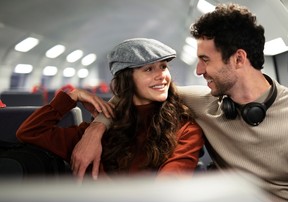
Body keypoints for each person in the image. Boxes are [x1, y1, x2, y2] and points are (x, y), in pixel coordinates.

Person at [70, 4, 288, 202]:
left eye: (205, 60)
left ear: (238, 59)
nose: (198, 70)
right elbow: (133, 94)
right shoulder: (204, 101)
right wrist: (96, 129)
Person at [16, 38, 204, 180]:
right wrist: (72, 96)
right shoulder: (96, 132)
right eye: (148, 69)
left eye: (163, 67)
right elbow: (30, 131)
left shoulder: (184, 129)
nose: (161, 76)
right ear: (127, 79)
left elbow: (167, 189)